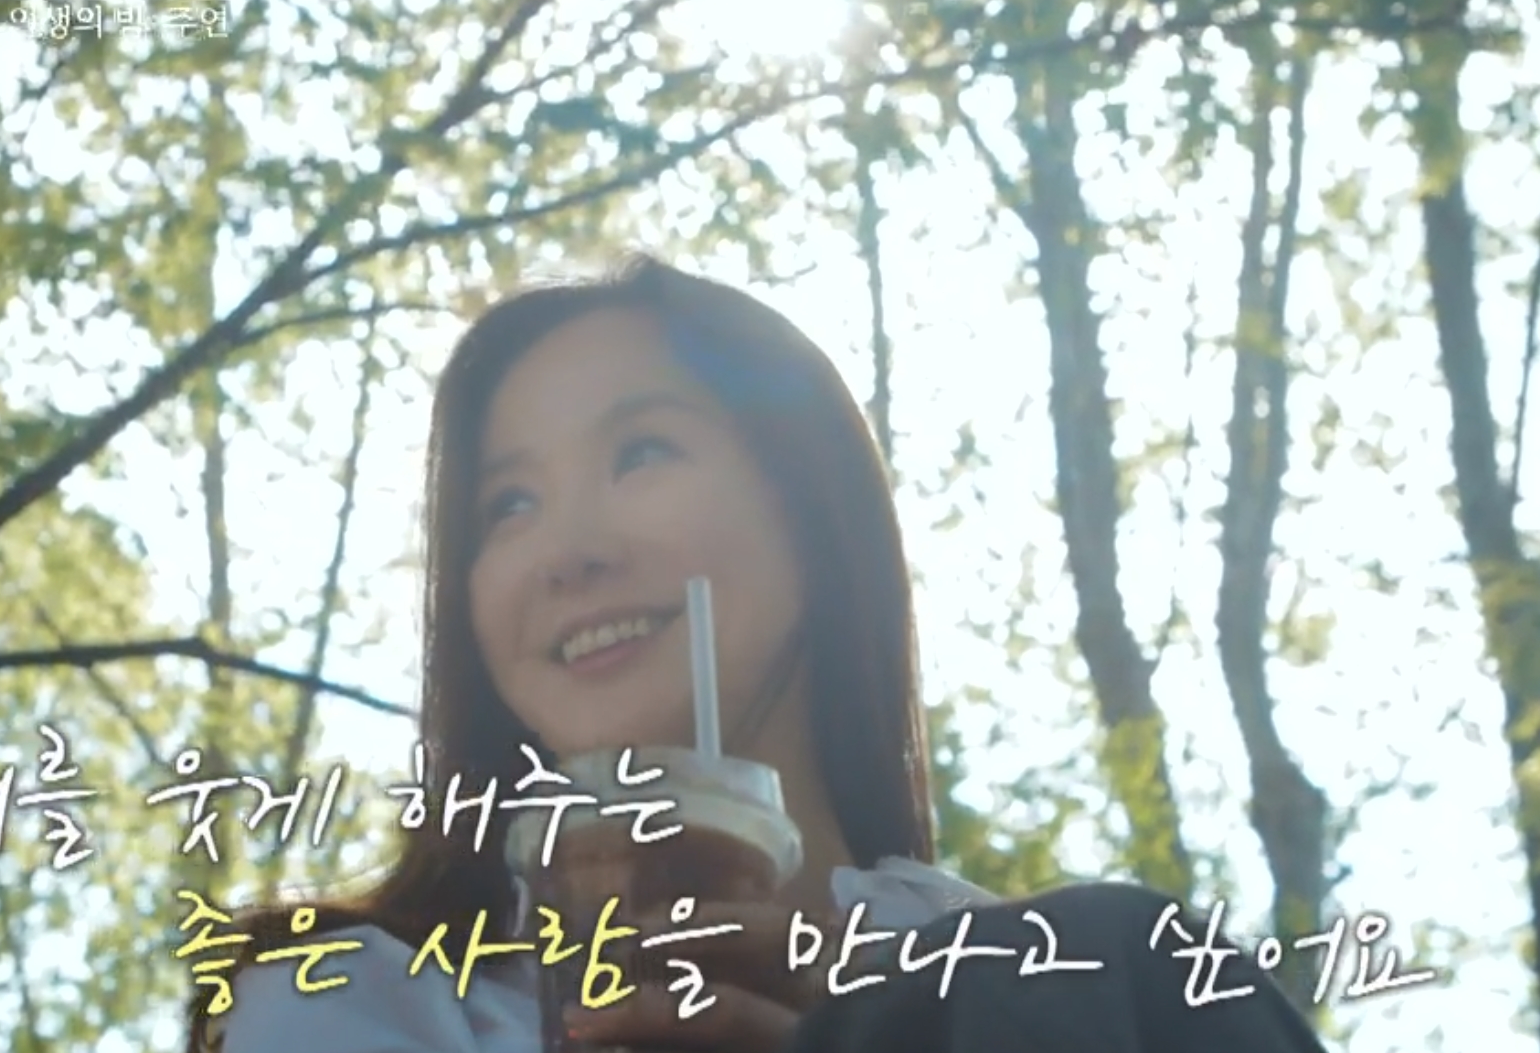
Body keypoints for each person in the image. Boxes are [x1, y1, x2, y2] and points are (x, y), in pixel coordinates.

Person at [191, 255, 1332, 1053]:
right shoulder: (360, 995)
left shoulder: (1071, 988)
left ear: (811, 508)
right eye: (508, 505)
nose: (568, 552)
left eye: (641, 452)